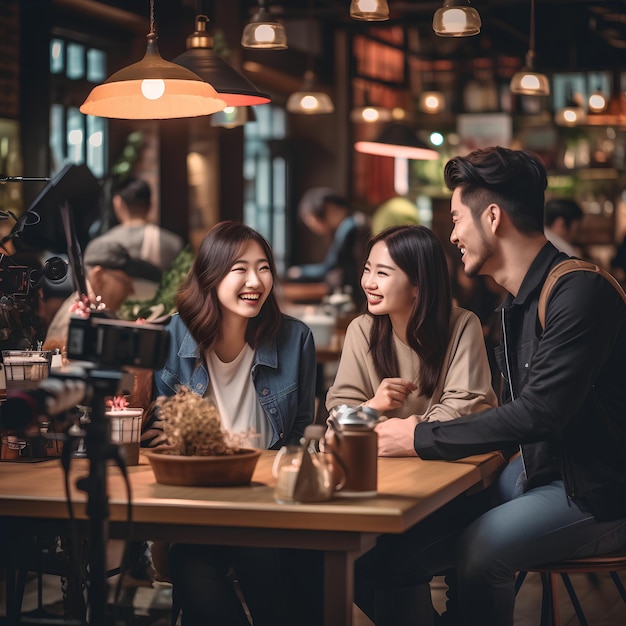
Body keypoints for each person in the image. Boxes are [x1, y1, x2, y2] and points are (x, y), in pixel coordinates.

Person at [376, 146, 626, 626]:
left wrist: (417, 437)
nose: (451, 236)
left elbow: (538, 414)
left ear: (492, 217)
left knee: (478, 549)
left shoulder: (579, 291)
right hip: (543, 474)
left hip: (598, 491)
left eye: (455, 219)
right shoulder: (515, 304)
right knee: (392, 552)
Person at [325, 225, 498, 626]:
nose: (368, 281)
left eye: (383, 272)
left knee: (378, 562)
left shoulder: (462, 325)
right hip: (384, 493)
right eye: (367, 269)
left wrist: (402, 432)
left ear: (418, 284)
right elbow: (338, 420)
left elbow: (465, 408)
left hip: (455, 499)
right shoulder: (362, 331)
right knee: (352, 557)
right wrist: (373, 405)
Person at [150, 221, 316, 626]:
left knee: (258, 550)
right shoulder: (169, 337)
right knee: (190, 566)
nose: (256, 281)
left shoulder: (296, 339)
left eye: (263, 268)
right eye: (239, 268)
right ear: (211, 275)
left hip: (267, 502)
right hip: (199, 506)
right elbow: (157, 430)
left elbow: (300, 434)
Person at [43, 238, 161, 353]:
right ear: (98, 276)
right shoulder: (78, 318)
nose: (130, 291)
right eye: (125, 283)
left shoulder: (88, 310)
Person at [92, 176, 184, 299]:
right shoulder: (174, 243)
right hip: (163, 316)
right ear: (151, 204)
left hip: (112, 317)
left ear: (117, 202)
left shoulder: (100, 246)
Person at [286, 187, 370, 307]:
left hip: (358, 291)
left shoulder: (348, 226)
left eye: (311, 221)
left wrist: (300, 272)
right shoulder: (354, 221)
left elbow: (330, 265)